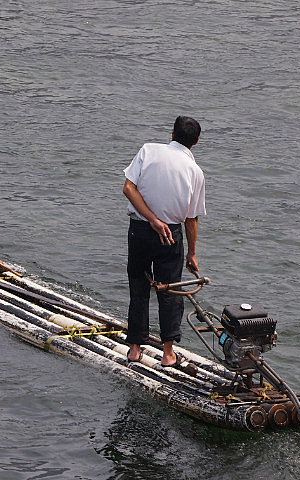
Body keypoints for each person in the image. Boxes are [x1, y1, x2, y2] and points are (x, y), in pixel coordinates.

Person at [122, 116, 206, 367]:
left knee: (138, 287)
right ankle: (168, 354)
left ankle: (135, 349)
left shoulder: (148, 150)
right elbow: (191, 219)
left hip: (140, 229)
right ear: (196, 142)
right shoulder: (195, 171)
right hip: (170, 235)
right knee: (170, 292)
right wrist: (192, 253)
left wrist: (151, 220)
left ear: (172, 133)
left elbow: (128, 188)